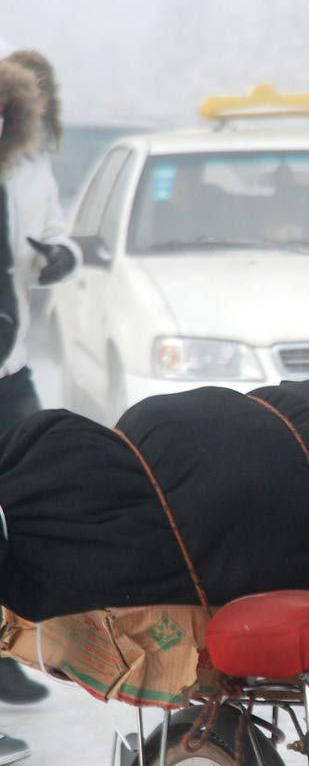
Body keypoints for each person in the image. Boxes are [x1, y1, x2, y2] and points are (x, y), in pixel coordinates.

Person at [0, 49, 79, 762]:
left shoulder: (26, 166)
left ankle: (6, 649)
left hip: (10, 364)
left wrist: (60, 257)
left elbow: (55, 235)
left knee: (29, 504)